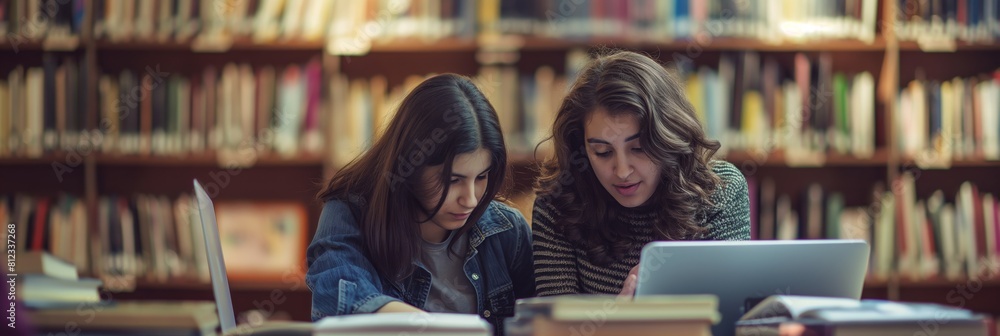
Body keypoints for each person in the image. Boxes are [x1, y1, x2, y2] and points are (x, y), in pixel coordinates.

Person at [306, 74, 534, 334]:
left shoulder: (507, 232)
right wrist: (438, 330)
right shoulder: (348, 214)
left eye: (481, 177)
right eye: (453, 180)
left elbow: (542, 319)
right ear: (410, 167)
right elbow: (338, 297)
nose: (470, 199)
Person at [531, 50, 751, 297]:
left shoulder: (719, 189)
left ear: (667, 139)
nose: (622, 171)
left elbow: (730, 315)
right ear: (580, 147)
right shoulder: (559, 201)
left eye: (639, 148)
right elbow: (558, 328)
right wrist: (622, 323)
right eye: (602, 152)